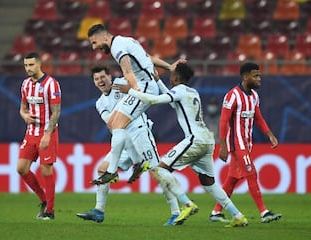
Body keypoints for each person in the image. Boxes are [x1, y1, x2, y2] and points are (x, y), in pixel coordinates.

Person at [116, 62, 248, 227]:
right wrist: (158, 82)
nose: (170, 78)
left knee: (159, 169)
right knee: (209, 182)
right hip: (207, 140)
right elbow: (173, 101)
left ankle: (187, 204)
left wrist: (130, 91)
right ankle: (237, 215)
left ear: (176, 77)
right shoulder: (192, 92)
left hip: (195, 139)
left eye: (171, 76)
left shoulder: (179, 91)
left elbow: (155, 100)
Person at [77, 65, 181, 226]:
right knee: (102, 169)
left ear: (110, 77)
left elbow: (141, 84)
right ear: (94, 83)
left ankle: (176, 213)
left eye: (103, 77)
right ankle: (99, 211)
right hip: (123, 140)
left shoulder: (122, 83)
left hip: (140, 133)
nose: (100, 81)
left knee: (157, 172)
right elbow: (111, 122)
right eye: (97, 79)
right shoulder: (100, 103)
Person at [87, 24, 177, 185]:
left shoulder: (117, 47)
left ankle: (113, 170)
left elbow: (128, 73)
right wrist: (169, 66)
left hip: (145, 87)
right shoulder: (127, 41)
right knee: (114, 124)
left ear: (104, 37)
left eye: (95, 42)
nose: (94, 47)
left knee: (118, 125)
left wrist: (136, 92)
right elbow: (147, 59)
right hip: (146, 85)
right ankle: (134, 164)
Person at [209, 62, 282, 223]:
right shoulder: (232, 95)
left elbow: (258, 117)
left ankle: (216, 212)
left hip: (247, 143)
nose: (259, 79)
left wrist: (270, 135)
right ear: (245, 77)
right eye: (255, 76)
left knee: (232, 179)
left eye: (259, 75)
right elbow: (223, 121)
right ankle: (264, 212)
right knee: (252, 173)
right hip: (236, 144)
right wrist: (223, 146)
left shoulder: (254, 96)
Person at [16, 52, 61, 220]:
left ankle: (50, 210)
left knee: (46, 169)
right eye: (26, 65)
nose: (28, 68)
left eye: (31, 65)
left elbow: (56, 112)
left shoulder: (52, 84)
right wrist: (24, 116)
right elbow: (22, 108)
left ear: (39, 64)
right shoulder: (25, 84)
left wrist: (47, 134)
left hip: (47, 132)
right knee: (21, 168)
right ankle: (43, 200)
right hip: (31, 132)